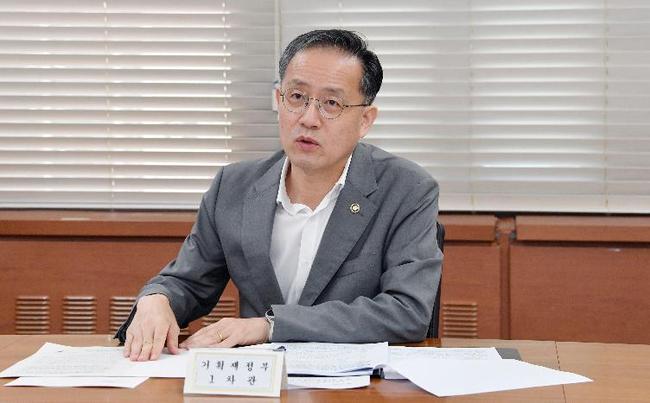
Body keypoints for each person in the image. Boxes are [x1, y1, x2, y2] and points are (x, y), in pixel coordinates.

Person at [117, 29, 442, 361]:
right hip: (260, 377)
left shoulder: (407, 189)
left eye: (331, 103)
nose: (308, 119)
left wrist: (271, 326)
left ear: (365, 120)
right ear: (278, 99)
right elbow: (188, 283)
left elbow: (407, 310)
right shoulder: (234, 186)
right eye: (297, 97)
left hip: (360, 380)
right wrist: (157, 300)